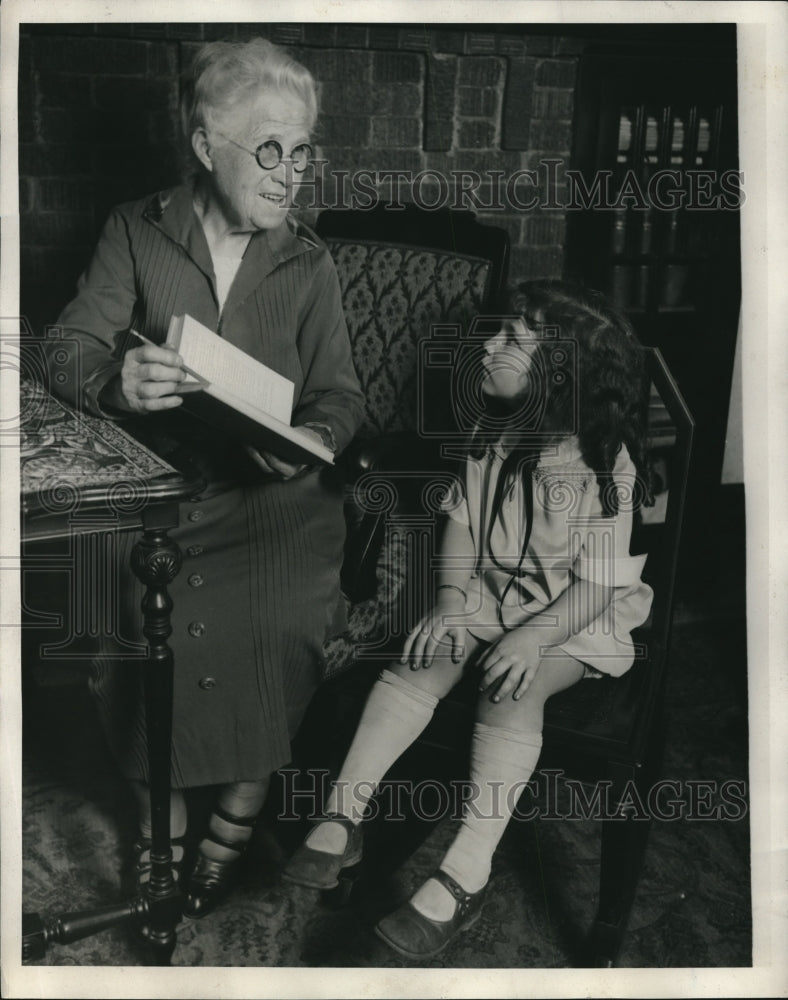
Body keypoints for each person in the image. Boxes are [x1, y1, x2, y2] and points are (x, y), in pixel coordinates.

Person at [44, 38, 364, 918]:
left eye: (302, 151)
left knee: (279, 616)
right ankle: (164, 819)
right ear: (204, 145)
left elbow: (342, 394)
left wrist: (311, 434)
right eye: (270, 149)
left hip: (277, 500)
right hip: (158, 491)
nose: (290, 174)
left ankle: (238, 812)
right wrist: (116, 383)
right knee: (126, 608)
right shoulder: (135, 228)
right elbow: (65, 346)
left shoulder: (309, 262)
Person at [282, 279, 655, 959]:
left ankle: (467, 870)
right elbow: (459, 521)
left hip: (572, 616)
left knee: (511, 686)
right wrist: (452, 599)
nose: (487, 345)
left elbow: (600, 583)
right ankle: (345, 809)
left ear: (560, 372)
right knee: (426, 653)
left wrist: (535, 636)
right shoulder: (493, 430)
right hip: (491, 594)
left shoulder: (605, 465)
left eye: (511, 338)